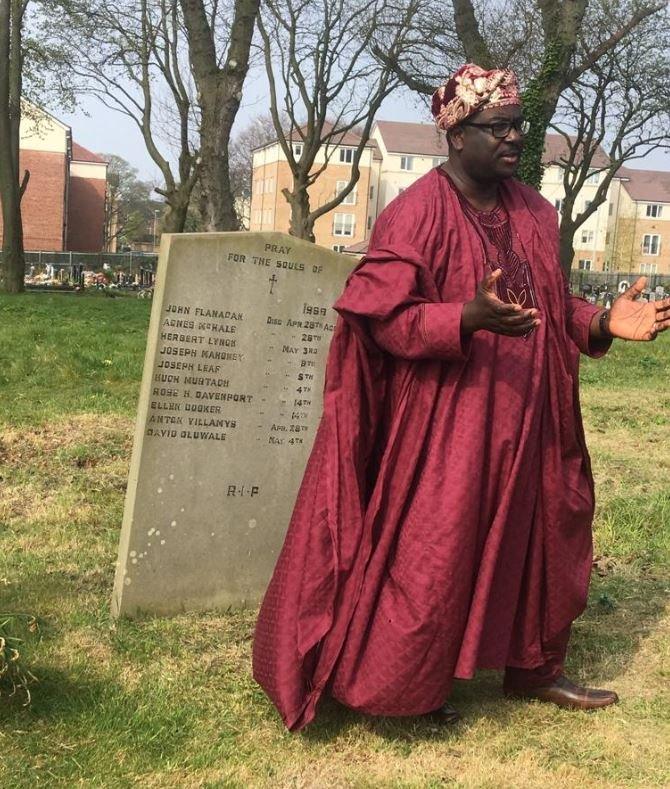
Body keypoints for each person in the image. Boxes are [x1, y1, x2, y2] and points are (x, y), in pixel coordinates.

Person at [252, 64, 670, 731]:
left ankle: (534, 666)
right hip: (449, 421)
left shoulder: (534, 210)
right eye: (496, 128)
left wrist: (599, 322)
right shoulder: (415, 214)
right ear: (455, 134)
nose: (513, 139)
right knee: (433, 552)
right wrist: (462, 318)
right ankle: (401, 689)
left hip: (536, 412)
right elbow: (381, 318)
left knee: (546, 533)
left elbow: (550, 302)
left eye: (518, 126)